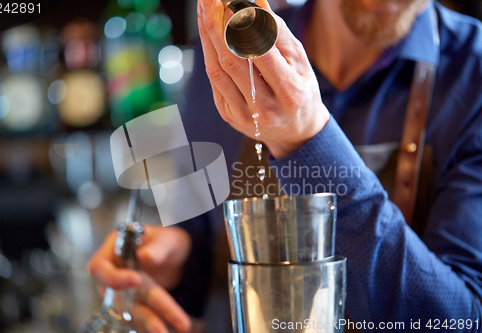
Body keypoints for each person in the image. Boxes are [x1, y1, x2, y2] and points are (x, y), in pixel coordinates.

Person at [88, 0, 482, 331]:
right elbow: (196, 234)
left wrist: (308, 138)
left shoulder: (473, 74)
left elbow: (460, 320)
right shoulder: (221, 58)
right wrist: (173, 263)